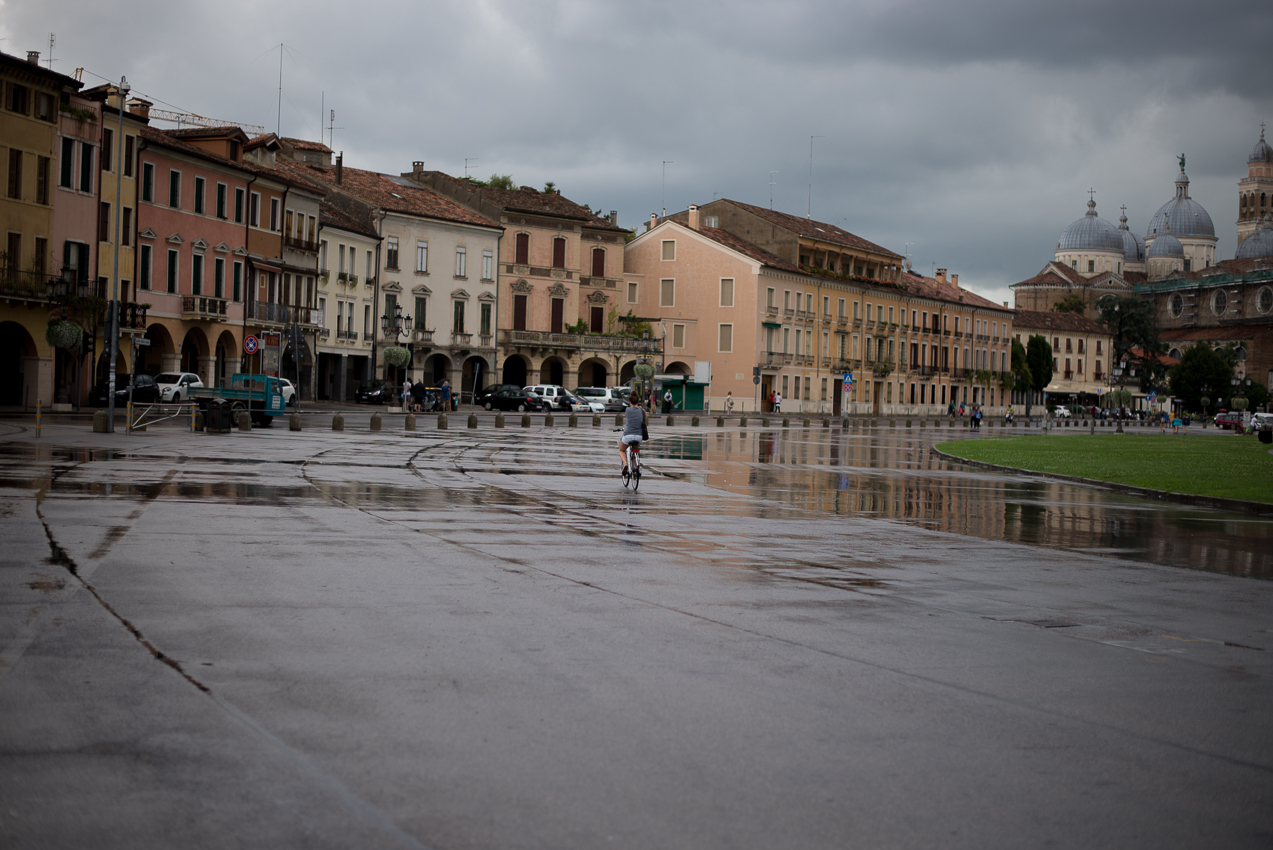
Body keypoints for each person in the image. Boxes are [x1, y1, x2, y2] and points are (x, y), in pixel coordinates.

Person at [619, 391, 647, 473]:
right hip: (639, 436)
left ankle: (625, 463)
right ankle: (637, 466)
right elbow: (644, 421)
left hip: (628, 435)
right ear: (638, 401)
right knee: (635, 449)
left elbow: (629, 418)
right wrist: (640, 409)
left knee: (621, 450)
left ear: (630, 401)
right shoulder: (642, 411)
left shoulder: (627, 410)